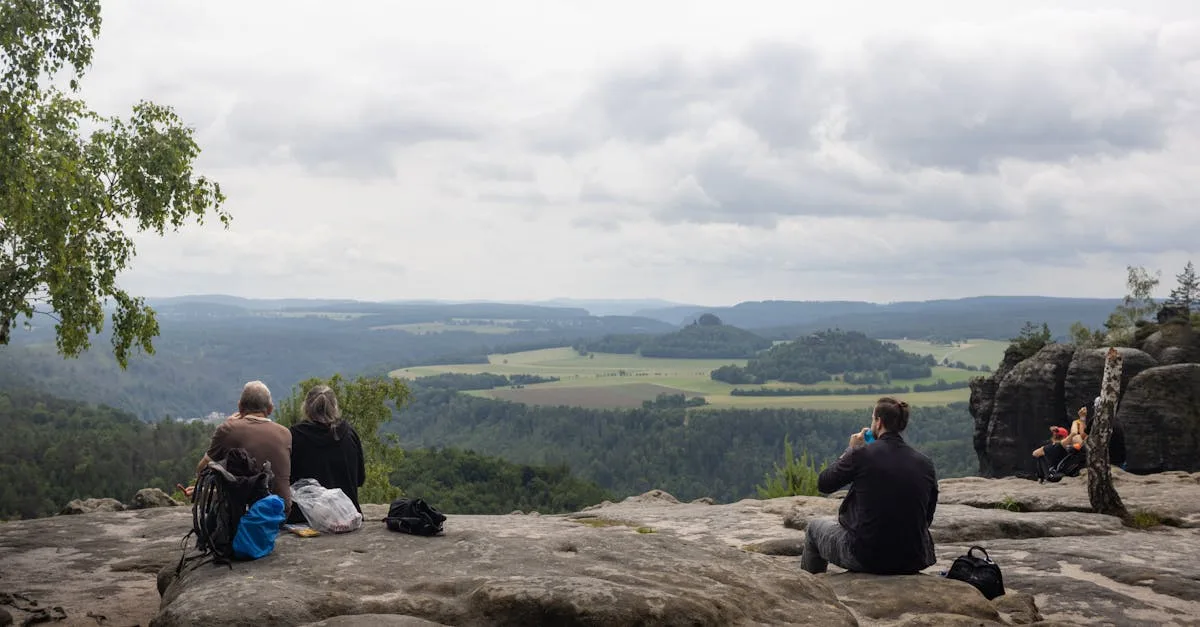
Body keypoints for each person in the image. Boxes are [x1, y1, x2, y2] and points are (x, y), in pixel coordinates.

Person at [801, 397, 938, 575]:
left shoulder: (861, 455)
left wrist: (850, 451)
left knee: (813, 529)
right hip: (913, 558)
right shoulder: (925, 463)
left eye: (873, 418)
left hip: (867, 557)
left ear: (879, 422)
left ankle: (809, 593)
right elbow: (927, 516)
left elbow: (824, 484)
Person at [192, 381, 293, 514]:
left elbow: (202, 470)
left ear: (240, 407)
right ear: (270, 409)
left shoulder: (228, 429)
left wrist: (227, 425)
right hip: (279, 513)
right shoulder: (285, 433)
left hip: (243, 514)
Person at [286, 385, 366, 525]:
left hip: (306, 518)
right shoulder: (349, 434)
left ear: (306, 407)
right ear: (334, 407)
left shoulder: (294, 436)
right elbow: (360, 479)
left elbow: (285, 480)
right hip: (346, 516)